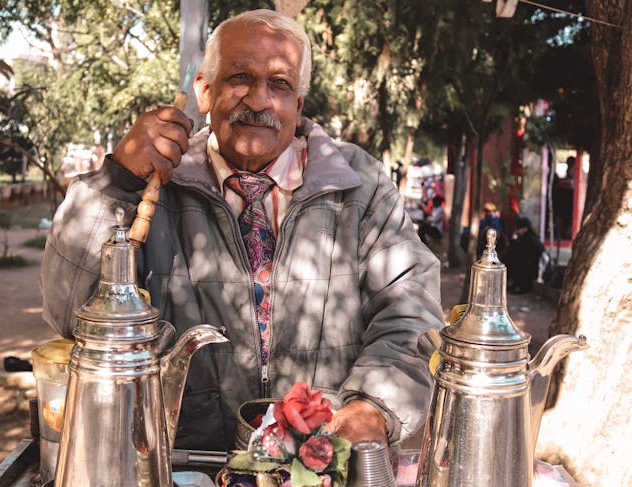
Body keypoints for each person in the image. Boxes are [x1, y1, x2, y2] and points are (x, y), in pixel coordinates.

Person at [41, 9, 443, 451]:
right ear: (204, 91)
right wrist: (115, 182)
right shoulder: (150, 183)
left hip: (319, 469)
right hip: (178, 463)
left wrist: (373, 405)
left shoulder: (359, 184)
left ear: (298, 105)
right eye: (240, 77)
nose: (258, 100)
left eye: (280, 84)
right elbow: (70, 314)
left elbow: (410, 312)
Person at [504, 217, 546, 294]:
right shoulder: (522, 238)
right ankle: (515, 283)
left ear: (525, 229)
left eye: (519, 229)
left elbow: (526, 252)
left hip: (531, 267)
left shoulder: (531, 239)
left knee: (518, 262)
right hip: (525, 262)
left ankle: (522, 286)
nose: (517, 231)